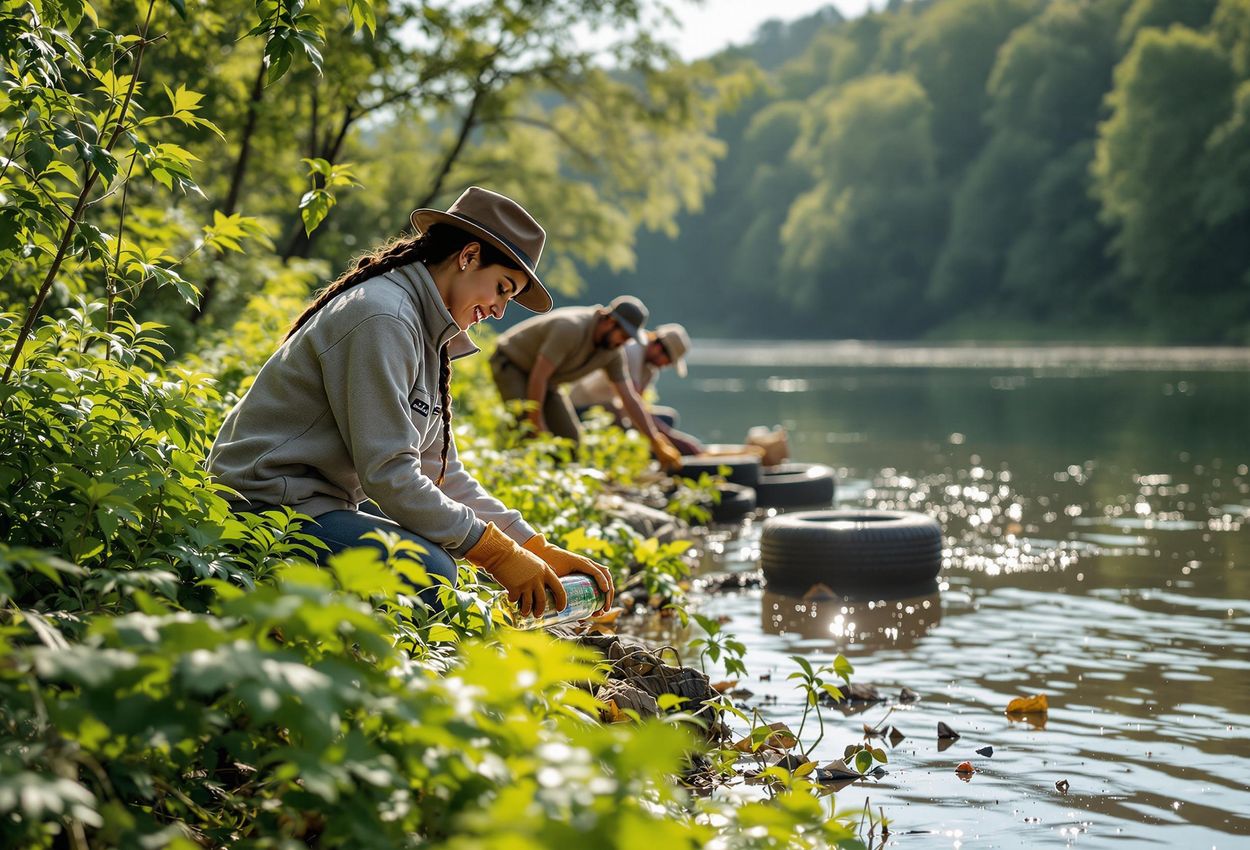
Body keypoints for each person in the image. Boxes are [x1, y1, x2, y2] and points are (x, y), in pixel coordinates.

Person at [208, 187, 613, 618]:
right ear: (469, 256)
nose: (498, 311)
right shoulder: (384, 317)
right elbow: (390, 474)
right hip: (261, 509)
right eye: (502, 289)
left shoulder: (426, 331)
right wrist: (494, 555)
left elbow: (441, 471)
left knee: (441, 550)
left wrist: (533, 546)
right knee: (433, 573)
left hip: (313, 503)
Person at [488, 295, 683, 469]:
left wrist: (655, 441)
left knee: (571, 441)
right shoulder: (570, 328)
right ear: (609, 321)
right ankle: (509, 471)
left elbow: (629, 398)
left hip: (548, 380)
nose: (623, 343)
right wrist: (537, 424)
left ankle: (557, 481)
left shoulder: (612, 353)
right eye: (623, 336)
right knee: (527, 429)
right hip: (513, 363)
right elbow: (539, 376)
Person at [567, 322, 705, 456]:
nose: (666, 366)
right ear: (659, 348)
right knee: (618, 415)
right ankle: (655, 453)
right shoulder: (632, 350)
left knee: (667, 418)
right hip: (582, 410)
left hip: (612, 412)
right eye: (669, 361)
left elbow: (640, 408)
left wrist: (668, 436)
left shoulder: (649, 371)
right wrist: (672, 439)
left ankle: (656, 449)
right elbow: (629, 406)